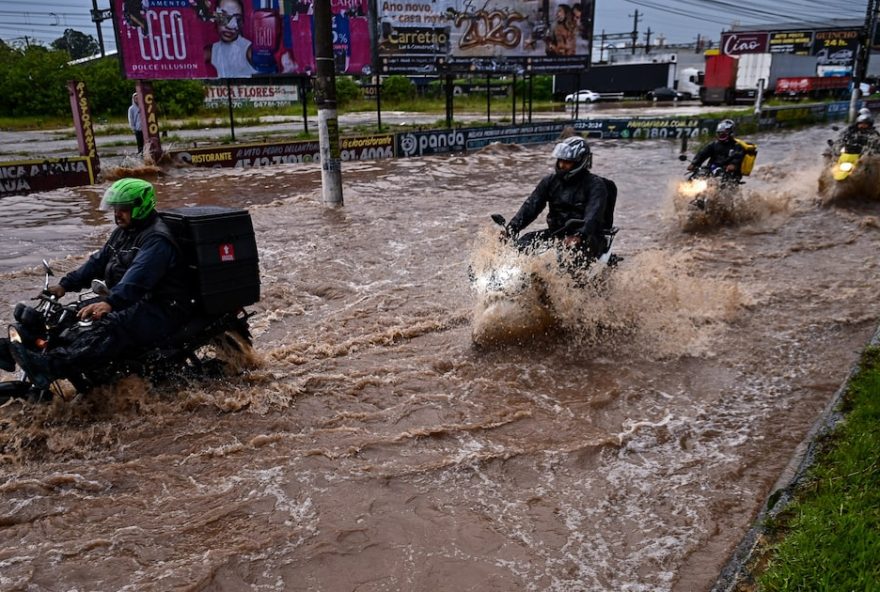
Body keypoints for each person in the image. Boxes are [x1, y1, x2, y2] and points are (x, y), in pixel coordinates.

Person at [8, 178, 192, 390]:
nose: (117, 214)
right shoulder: (124, 233)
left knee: (108, 326)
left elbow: (137, 278)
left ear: (141, 207)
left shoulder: (156, 240)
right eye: (115, 208)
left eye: (123, 209)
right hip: (135, 300)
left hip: (163, 307)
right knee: (71, 314)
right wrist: (65, 285)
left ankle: (52, 367)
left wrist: (110, 303)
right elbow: (98, 262)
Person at [505, 136, 613, 261]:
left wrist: (580, 235)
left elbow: (594, 214)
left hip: (587, 236)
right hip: (557, 233)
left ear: (580, 162)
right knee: (523, 243)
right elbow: (531, 206)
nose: (562, 165)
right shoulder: (549, 181)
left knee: (565, 259)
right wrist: (511, 229)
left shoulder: (595, 185)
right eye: (560, 160)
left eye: (567, 162)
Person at [205, 0, 256, 78]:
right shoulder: (212, 50)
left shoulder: (249, 50)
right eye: (223, 17)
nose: (230, 26)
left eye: (237, 19)